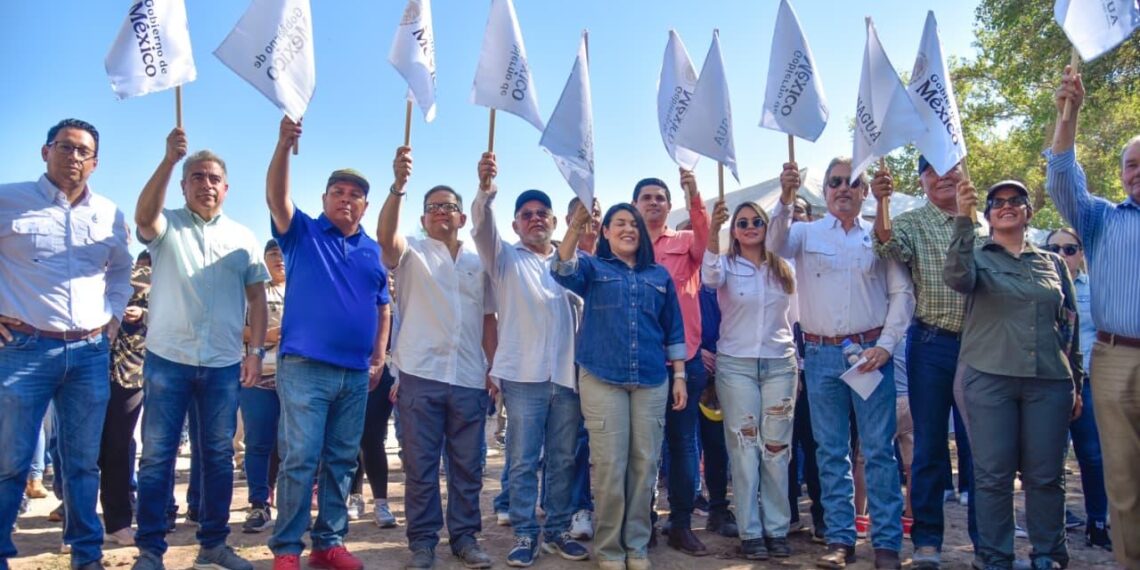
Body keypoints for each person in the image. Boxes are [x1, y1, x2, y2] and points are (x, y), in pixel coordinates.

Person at [132, 128, 268, 570]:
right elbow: (143, 216)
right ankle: (150, 550)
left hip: (223, 364)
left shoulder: (244, 238)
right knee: (157, 457)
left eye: (213, 178)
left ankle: (214, 544)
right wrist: (169, 159)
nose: (206, 184)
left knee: (218, 457)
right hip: (167, 359)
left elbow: (257, 299)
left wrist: (254, 352)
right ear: (184, 185)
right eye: (197, 177)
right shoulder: (166, 225)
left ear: (226, 188)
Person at [768, 157, 914, 570]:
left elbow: (902, 293)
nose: (843, 188)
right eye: (835, 182)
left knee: (879, 451)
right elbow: (775, 243)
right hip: (819, 355)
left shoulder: (880, 235)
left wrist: (886, 346)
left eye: (852, 182)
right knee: (831, 451)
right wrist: (785, 196)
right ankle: (839, 539)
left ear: (865, 191)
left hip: (869, 355)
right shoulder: (805, 232)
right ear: (826, 190)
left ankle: (886, 543)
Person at [0, 118, 133, 570]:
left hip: (89, 353)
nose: (74, 157)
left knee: (82, 464)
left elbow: (121, 270)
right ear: (46, 151)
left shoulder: (110, 213)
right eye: (65, 147)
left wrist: (114, 317)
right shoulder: (9, 200)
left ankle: (86, 555)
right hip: (23, 349)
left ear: (95, 162)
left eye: (83, 151)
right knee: (10, 462)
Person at [264, 117, 392, 570]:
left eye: (355, 194)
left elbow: (383, 307)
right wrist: (283, 145)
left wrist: (379, 357)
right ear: (323, 199)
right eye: (337, 191)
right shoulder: (303, 233)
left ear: (365, 205)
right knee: (300, 459)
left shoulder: (373, 250)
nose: (346, 198)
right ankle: (287, 548)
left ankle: (329, 543)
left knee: (341, 460)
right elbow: (277, 198)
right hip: (304, 366)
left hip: (355, 374)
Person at [944, 179, 1082, 570]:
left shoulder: (1053, 262)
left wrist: (1077, 381)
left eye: (1015, 200)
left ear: (1028, 212)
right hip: (990, 378)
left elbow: (1070, 324)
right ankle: (994, 557)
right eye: (997, 202)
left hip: (1050, 381)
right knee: (993, 475)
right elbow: (956, 278)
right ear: (987, 215)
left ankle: (1048, 554)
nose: (1007, 206)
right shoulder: (975, 255)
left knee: (1046, 475)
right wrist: (962, 219)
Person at [377, 146, 497, 570]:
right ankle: (423, 543)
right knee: (421, 466)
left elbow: (488, 319)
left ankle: (465, 538)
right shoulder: (411, 252)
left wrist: (494, 368)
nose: (441, 212)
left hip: (469, 378)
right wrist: (398, 186)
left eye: (449, 206)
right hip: (419, 375)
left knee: (468, 466)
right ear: (423, 218)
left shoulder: (479, 262)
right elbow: (385, 239)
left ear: (462, 217)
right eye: (433, 208)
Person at [551, 203, 687, 570]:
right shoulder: (592, 268)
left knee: (645, 466)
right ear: (606, 232)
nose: (628, 229)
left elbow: (674, 329)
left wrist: (679, 376)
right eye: (620, 223)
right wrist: (577, 226)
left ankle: (636, 545)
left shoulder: (659, 276)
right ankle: (610, 548)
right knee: (611, 466)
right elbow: (561, 269)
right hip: (601, 377)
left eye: (634, 224)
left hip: (652, 380)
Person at [470, 154, 588, 566]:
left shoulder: (572, 264)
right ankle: (524, 533)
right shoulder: (504, 259)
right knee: (522, 460)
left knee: (562, 459)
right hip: (522, 378)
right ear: (516, 224)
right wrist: (485, 190)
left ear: (555, 222)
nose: (535, 219)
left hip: (567, 378)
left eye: (542, 214)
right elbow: (481, 226)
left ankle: (556, 531)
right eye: (527, 215)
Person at [1047, 65, 1140, 569]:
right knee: (1122, 480)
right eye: (1130, 165)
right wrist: (1071, 114)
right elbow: (1063, 179)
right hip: (1115, 358)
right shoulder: (1102, 219)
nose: (1136, 172)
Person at [871, 155, 980, 568]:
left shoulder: (985, 223)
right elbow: (885, 243)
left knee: (981, 450)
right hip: (931, 345)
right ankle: (928, 541)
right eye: (931, 170)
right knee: (930, 446)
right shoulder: (912, 222)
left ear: (964, 172)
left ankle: (987, 542)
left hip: (982, 349)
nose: (943, 176)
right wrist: (882, 200)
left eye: (950, 167)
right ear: (921, 181)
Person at [702, 200, 798, 560]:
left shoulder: (785, 267)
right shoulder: (725, 265)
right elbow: (709, 277)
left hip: (780, 364)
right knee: (744, 450)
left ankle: (777, 528)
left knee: (776, 449)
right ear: (734, 230)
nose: (750, 226)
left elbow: (796, 318)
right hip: (736, 366)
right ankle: (750, 531)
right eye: (741, 222)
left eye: (757, 220)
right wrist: (714, 230)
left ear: (767, 225)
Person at [631, 173, 710, 556]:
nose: (654, 202)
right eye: (646, 197)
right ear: (634, 205)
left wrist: (693, 193)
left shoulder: (687, 242)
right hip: (641, 363)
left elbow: (705, 231)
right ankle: (642, 522)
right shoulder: (625, 247)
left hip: (685, 360)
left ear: (669, 204)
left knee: (682, 446)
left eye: (660, 197)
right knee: (642, 448)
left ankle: (680, 524)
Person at [1042, 228, 1112, 551]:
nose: (1062, 255)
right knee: (1047, 458)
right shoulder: (1037, 286)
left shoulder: (1096, 289)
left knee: (1092, 455)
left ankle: (1097, 521)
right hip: (1047, 383)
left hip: (1087, 383)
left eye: (1070, 249)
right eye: (1054, 248)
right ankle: (1052, 523)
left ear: (1082, 254)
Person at [101, 254, 153, 546]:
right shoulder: (82, 273)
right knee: (78, 450)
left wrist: (143, 313)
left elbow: (170, 312)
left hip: (129, 373)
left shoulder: (144, 276)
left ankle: (117, 523)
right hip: (81, 368)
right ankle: (75, 524)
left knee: (118, 447)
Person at [238, 239, 286, 535]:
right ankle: (259, 503)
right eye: (273, 254)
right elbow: (236, 327)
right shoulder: (252, 291)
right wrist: (268, 335)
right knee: (257, 443)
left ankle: (293, 506)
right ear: (264, 260)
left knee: (293, 444)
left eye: (283, 253)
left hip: (295, 378)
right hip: (257, 376)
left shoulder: (302, 289)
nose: (279, 259)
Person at [565, 197, 602, 543]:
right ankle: (578, 508)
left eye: (596, 212)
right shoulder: (562, 259)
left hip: (606, 367)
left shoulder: (613, 257)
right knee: (574, 442)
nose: (591, 218)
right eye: (582, 213)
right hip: (569, 368)